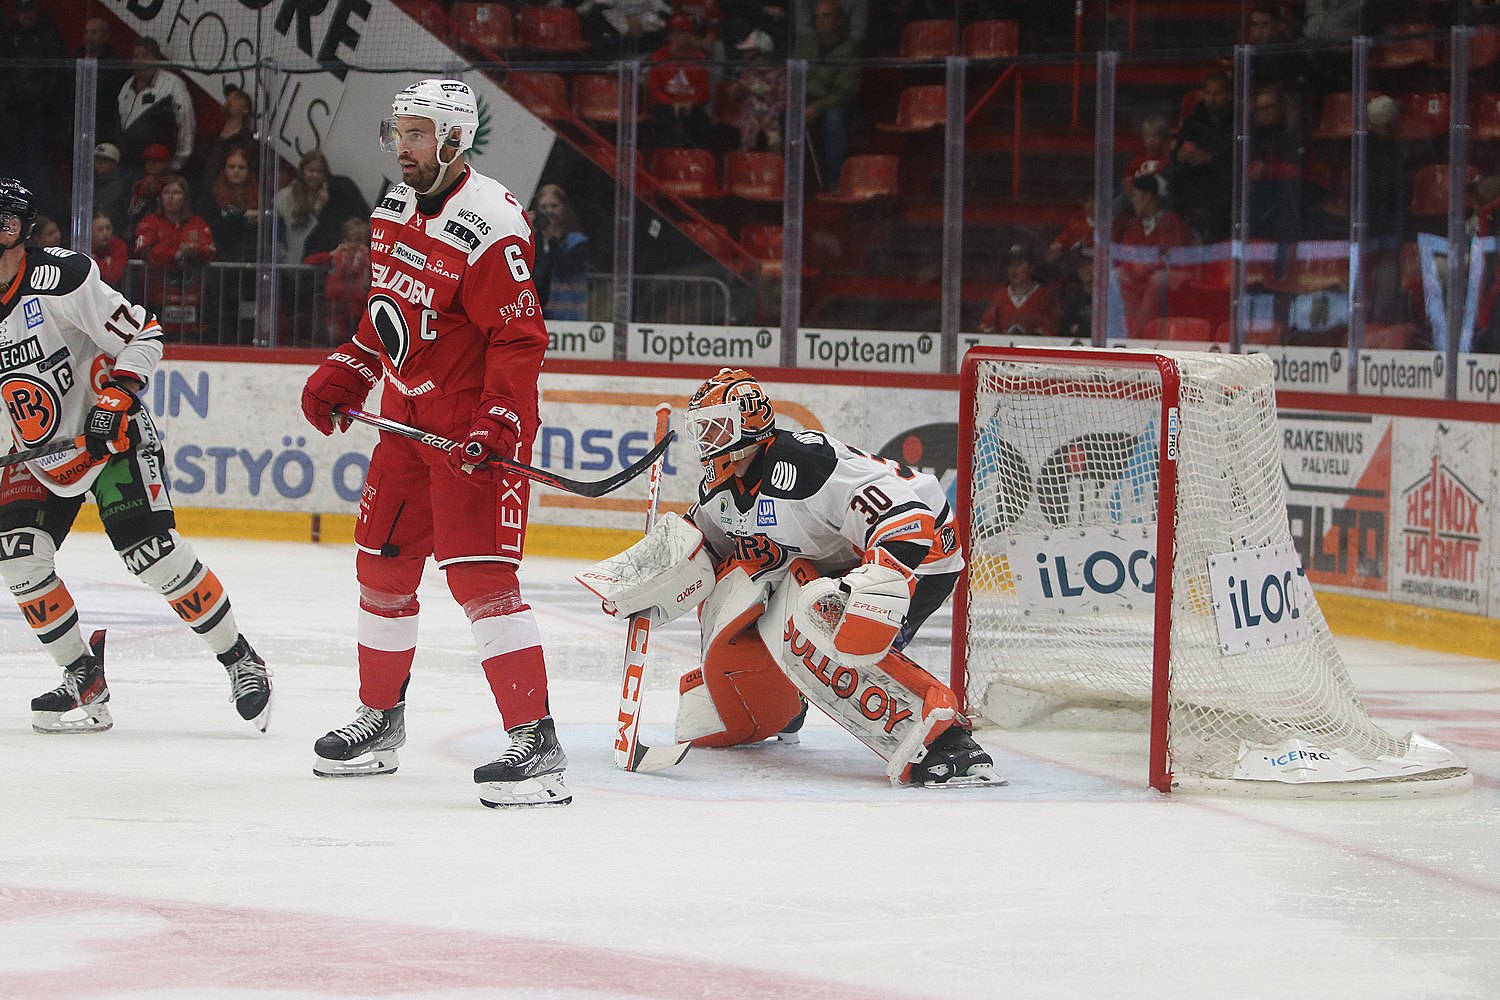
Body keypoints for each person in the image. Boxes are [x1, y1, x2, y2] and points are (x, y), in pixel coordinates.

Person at [299, 79, 568, 808]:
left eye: (416, 135)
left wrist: (498, 421)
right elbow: (387, 313)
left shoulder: (491, 225)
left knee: (480, 581)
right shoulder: (391, 205)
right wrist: (350, 369)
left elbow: (518, 339)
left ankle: (537, 745)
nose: (402, 147)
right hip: (406, 424)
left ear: (453, 139)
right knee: (380, 572)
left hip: (473, 430)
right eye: (398, 133)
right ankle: (380, 721)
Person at [578, 368, 1000, 788]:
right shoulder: (721, 485)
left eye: (718, 426)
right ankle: (783, 700)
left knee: (827, 615)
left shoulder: (801, 462)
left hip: (922, 551)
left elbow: (906, 516)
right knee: (739, 585)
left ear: (752, 421)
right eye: (702, 429)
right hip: (839, 556)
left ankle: (945, 739)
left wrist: (880, 580)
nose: (708, 440)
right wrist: (646, 579)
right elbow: (704, 547)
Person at [0, 178, 270, 735]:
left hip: (112, 439)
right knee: (20, 557)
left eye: (3, 222)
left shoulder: (62, 279)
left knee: (155, 556)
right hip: (36, 455)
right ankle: (82, 676)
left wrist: (117, 397)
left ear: (23, 232)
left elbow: (144, 332)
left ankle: (240, 658)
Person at [133, 174, 217, 340]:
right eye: (166, 192)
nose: (171, 197)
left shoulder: (197, 223)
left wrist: (195, 251)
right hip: (156, 297)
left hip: (192, 298)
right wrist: (176, 255)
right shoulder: (150, 222)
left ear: (185, 197)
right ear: (160, 197)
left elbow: (209, 249)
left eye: (176, 192)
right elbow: (145, 250)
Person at [798, 0, 860, 190]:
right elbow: (794, 77)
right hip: (806, 103)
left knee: (833, 118)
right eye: (817, 17)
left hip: (836, 105)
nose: (821, 21)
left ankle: (836, 181)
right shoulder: (805, 45)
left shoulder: (850, 49)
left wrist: (816, 108)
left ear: (838, 19)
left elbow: (844, 92)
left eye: (826, 16)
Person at [1171, 70, 1234, 243]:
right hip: (1194, 181)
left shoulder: (1238, 122)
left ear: (1229, 95)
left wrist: (1211, 157)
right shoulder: (1193, 122)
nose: (1212, 99)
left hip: (1222, 181)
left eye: (1218, 93)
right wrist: (1181, 155)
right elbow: (1175, 154)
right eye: (1209, 93)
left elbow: (1239, 155)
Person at [117, 37, 195, 173]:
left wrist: (176, 164)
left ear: (156, 59)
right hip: (128, 165)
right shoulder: (126, 86)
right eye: (136, 56)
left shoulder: (172, 85)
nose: (139, 61)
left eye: (144, 56)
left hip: (159, 167)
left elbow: (186, 123)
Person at [646, 14, 714, 148]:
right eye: (674, 33)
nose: (676, 37)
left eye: (681, 33)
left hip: (691, 106)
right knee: (665, 121)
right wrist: (672, 103)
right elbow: (655, 91)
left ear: (689, 36)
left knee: (701, 122)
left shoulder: (699, 59)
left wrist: (691, 103)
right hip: (666, 106)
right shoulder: (657, 58)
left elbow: (704, 92)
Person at [531, 183, 591, 321]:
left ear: (564, 208)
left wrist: (553, 240)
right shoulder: (535, 242)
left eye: (554, 206)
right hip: (539, 316)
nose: (549, 212)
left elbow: (564, 271)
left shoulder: (577, 242)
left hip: (570, 316)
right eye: (544, 207)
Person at [978, 243, 1059, 336]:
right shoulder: (999, 296)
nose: (1014, 268)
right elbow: (985, 327)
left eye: (1020, 263)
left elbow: (1051, 330)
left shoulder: (1045, 296)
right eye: (1010, 264)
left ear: (1031, 267)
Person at [731, 29, 786, 152]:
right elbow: (739, 98)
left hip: (771, 115)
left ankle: (773, 167)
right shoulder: (746, 73)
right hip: (750, 113)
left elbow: (783, 99)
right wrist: (738, 90)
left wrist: (771, 116)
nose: (745, 56)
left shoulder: (778, 74)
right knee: (747, 135)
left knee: (774, 141)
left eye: (749, 52)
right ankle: (746, 167)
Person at [319, 216, 371, 343]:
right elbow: (308, 261)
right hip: (337, 312)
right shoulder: (338, 256)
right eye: (348, 240)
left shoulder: (369, 259)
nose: (353, 245)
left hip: (361, 312)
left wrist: (369, 261)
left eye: (358, 241)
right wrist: (330, 255)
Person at [126, 143, 173, 236]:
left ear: (166, 163)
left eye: (157, 161)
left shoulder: (174, 184)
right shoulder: (139, 185)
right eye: (148, 161)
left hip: (167, 231)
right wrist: (145, 194)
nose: (151, 164)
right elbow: (133, 211)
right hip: (141, 231)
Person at [92, 142, 130, 237]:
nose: (99, 164)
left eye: (104, 160)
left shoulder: (122, 186)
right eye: (97, 160)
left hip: (114, 235)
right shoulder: (88, 183)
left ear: (114, 163)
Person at [92, 209, 129, 290]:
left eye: (108, 228)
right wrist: (105, 263)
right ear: (90, 231)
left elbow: (112, 276)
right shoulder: (83, 244)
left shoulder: (119, 245)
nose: (105, 233)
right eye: (100, 230)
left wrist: (95, 260)